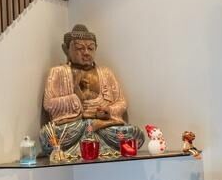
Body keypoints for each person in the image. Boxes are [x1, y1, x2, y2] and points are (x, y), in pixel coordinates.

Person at [40, 24, 146, 155]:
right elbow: (48, 104)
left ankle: (93, 143)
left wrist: (109, 111)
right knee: (47, 136)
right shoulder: (57, 72)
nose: (86, 53)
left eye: (90, 48)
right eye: (79, 48)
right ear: (66, 49)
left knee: (133, 133)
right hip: (73, 128)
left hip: (103, 127)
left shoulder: (106, 73)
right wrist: (75, 97)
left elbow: (122, 102)